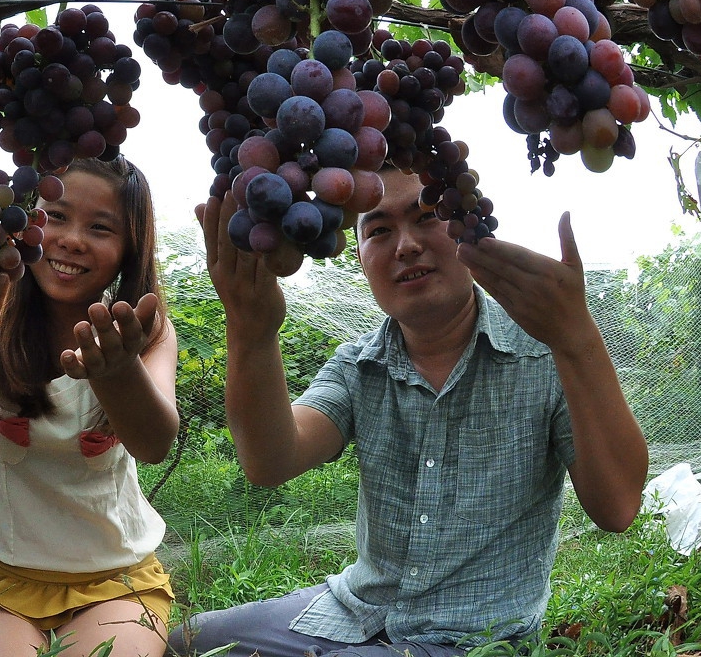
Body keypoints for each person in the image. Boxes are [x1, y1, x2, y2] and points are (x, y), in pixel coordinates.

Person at [172, 167, 649, 657]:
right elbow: (271, 460)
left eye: (426, 217)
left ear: (470, 231)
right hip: (357, 610)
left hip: (476, 639)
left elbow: (617, 507)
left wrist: (576, 336)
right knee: (188, 641)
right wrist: (252, 329)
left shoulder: (543, 355)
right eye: (378, 230)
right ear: (359, 258)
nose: (405, 246)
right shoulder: (360, 366)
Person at [0, 155, 179, 657]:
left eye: (100, 227)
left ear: (131, 246)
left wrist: (119, 373)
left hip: (116, 577)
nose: (71, 239)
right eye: (56, 216)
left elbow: (153, 443)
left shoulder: (141, 332)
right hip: (2, 577)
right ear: (24, 222)